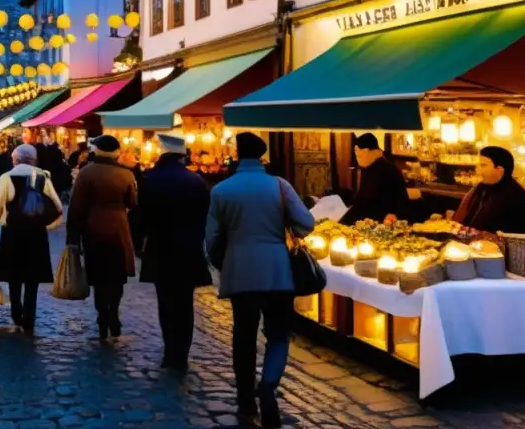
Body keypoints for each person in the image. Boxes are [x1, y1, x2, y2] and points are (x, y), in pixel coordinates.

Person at [205, 132, 315, 428]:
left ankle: (245, 398)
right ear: (263, 156)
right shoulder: (280, 186)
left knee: (243, 336)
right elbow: (307, 223)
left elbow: (211, 238)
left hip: (240, 271)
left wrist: (222, 262)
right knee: (278, 334)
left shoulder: (222, 190)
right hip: (278, 271)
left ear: (237, 155)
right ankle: (267, 385)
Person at [138, 132, 212, 371]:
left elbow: (141, 216)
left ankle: (170, 349)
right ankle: (182, 351)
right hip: (188, 248)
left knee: (165, 300)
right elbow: (205, 216)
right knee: (185, 302)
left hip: (160, 247)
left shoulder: (150, 179)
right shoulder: (196, 181)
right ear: (182, 155)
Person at [66, 134, 138, 339]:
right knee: (117, 275)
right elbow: (133, 203)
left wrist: (73, 235)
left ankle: (102, 314)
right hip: (119, 228)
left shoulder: (86, 173)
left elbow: (76, 207)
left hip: (94, 228)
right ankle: (114, 311)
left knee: (99, 275)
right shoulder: (126, 175)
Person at [0, 144, 63, 331]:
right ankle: (30, 314)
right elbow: (57, 207)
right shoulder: (42, 177)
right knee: (32, 275)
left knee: (14, 274)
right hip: (36, 233)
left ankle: (16, 310)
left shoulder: (6, 178)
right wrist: (47, 225)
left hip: (13, 232)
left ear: (16, 159)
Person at [339, 133, 410, 225]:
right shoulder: (368, 169)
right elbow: (361, 202)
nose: (358, 159)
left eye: (359, 156)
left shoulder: (388, 170)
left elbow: (399, 202)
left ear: (367, 151)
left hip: (383, 224)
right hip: (368, 222)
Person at [454, 146, 525, 233]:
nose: (477, 170)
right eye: (478, 165)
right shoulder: (481, 186)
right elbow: (470, 218)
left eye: (483, 165)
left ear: (499, 170)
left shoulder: (516, 196)